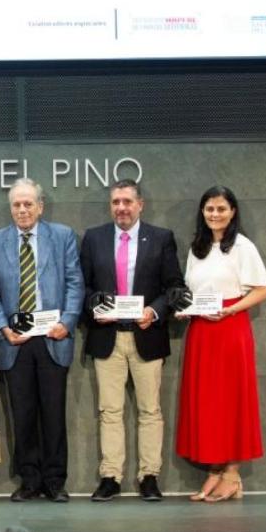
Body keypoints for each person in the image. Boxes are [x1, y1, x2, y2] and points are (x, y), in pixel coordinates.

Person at [80, 179, 184, 502]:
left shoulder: (162, 238)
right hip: (106, 338)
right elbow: (81, 287)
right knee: (110, 411)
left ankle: (149, 477)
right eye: (116, 202)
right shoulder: (94, 238)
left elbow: (174, 288)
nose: (121, 208)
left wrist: (154, 311)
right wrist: (96, 304)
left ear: (141, 204)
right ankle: (110, 477)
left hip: (147, 335)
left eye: (127, 201)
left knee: (150, 410)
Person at [0, 178, 83, 503]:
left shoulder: (63, 235)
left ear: (40, 206)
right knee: (22, 413)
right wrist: (2, 328)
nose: (23, 210)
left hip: (53, 337)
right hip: (15, 341)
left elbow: (74, 282)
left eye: (29, 204)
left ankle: (55, 481)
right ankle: (29, 479)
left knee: (53, 413)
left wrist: (67, 323)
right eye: (17, 204)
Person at [175, 186, 266, 502]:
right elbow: (193, 290)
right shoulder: (197, 248)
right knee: (208, 402)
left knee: (230, 400)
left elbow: (263, 289)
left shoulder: (243, 247)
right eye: (209, 209)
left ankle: (232, 474)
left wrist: (232, 308)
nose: (214, 214)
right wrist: (184, 310)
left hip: (230, 329)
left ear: (233, 212)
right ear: (202, 212)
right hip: (202, 331)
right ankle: (215, 470)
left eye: (221, 209)